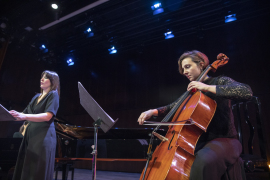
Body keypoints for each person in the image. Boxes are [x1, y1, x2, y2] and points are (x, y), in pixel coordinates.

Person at [138, 50, 252, 180]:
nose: (184, 72)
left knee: (202, 162)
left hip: (225, 140)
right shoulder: (191, 91)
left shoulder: (219, 81)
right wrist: (153, 111)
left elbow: (245, 91)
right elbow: (173, 107)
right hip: (199, 142)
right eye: (182, 69)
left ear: (201, 64)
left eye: (187, 66)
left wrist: (206, 87)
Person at [10, 70, 60, 180]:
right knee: (27, 166)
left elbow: (48, 116)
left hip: (43, 135)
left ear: (52, 82)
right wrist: (10, 115)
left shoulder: (53, 95)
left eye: (45, 77)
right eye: (41, 76)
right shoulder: (36, 96)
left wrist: (24, 116)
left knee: (37, 169)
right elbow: (23, 114)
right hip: (31, 134)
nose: (42, 79)